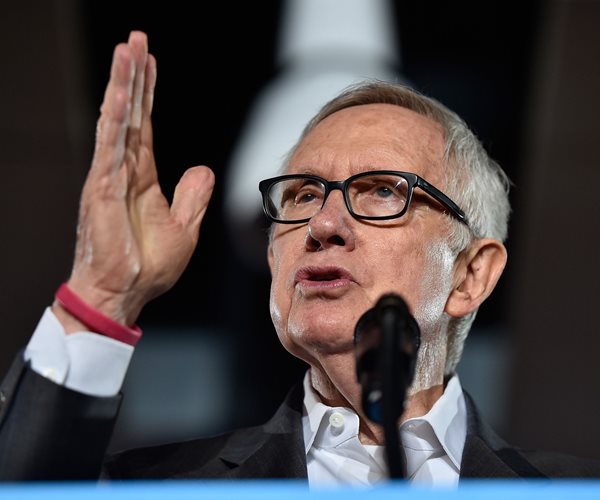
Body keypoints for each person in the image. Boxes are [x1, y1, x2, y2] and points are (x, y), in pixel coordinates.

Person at [0, 31, 598, 484]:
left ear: (471, 274)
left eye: (381, 191)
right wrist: (103, 296)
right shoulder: (159, 488)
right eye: (304, 195)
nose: (322, 225)